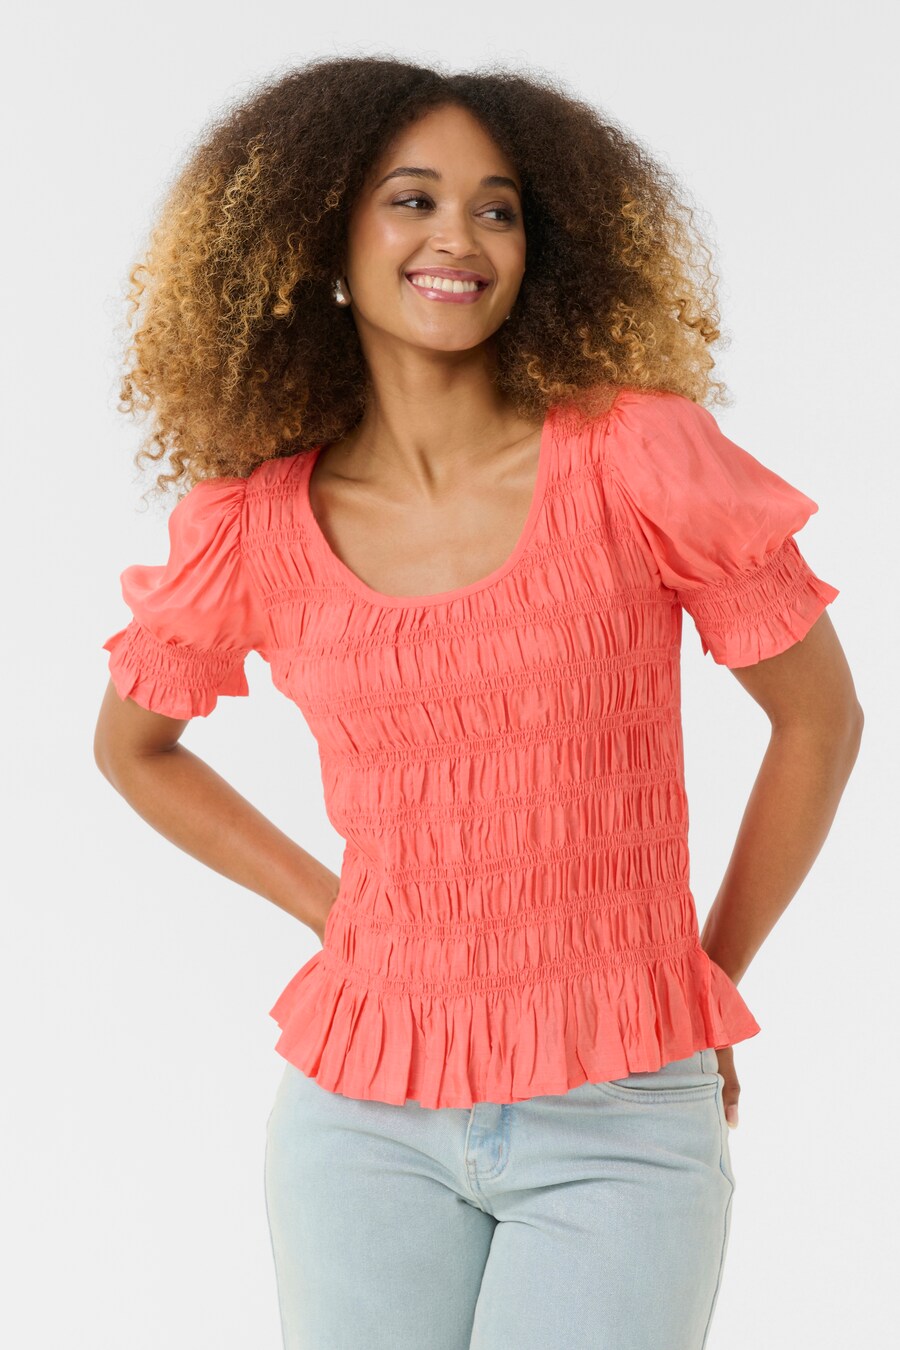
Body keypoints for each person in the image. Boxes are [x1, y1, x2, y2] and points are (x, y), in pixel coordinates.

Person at [94, 55, 863, 1350]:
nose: (457, 236)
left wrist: (703, 979)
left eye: (496, 209)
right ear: (325, 239)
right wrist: (331, 906)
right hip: (360, 1117)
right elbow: (135, 746)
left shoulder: (635, 455)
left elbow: (820, 720)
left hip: (619, 1119)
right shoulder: (253, 525)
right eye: (413, 200)